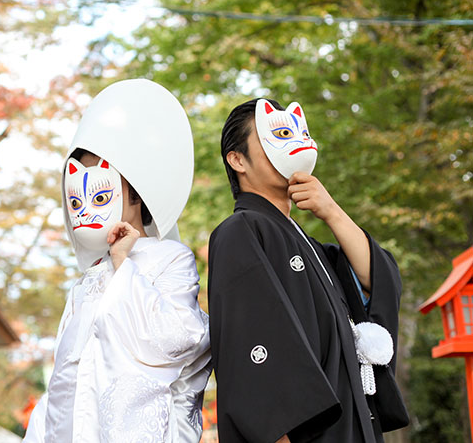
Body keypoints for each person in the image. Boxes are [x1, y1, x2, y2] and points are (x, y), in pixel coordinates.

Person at [208, 98, 407, 442]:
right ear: (237, 159)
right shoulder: (241, 231)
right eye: (279, 134)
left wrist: (331, 211)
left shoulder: (312, 248)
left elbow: (378, 278)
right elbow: (251, 351)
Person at [24, 79, 212, 443]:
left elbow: (178, 339)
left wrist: (125, 265)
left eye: (100, 194)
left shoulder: (169, 258)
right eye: (76, 202)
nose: (84, 211)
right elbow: (63, 379)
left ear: (135, 193)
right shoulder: (87, 280)